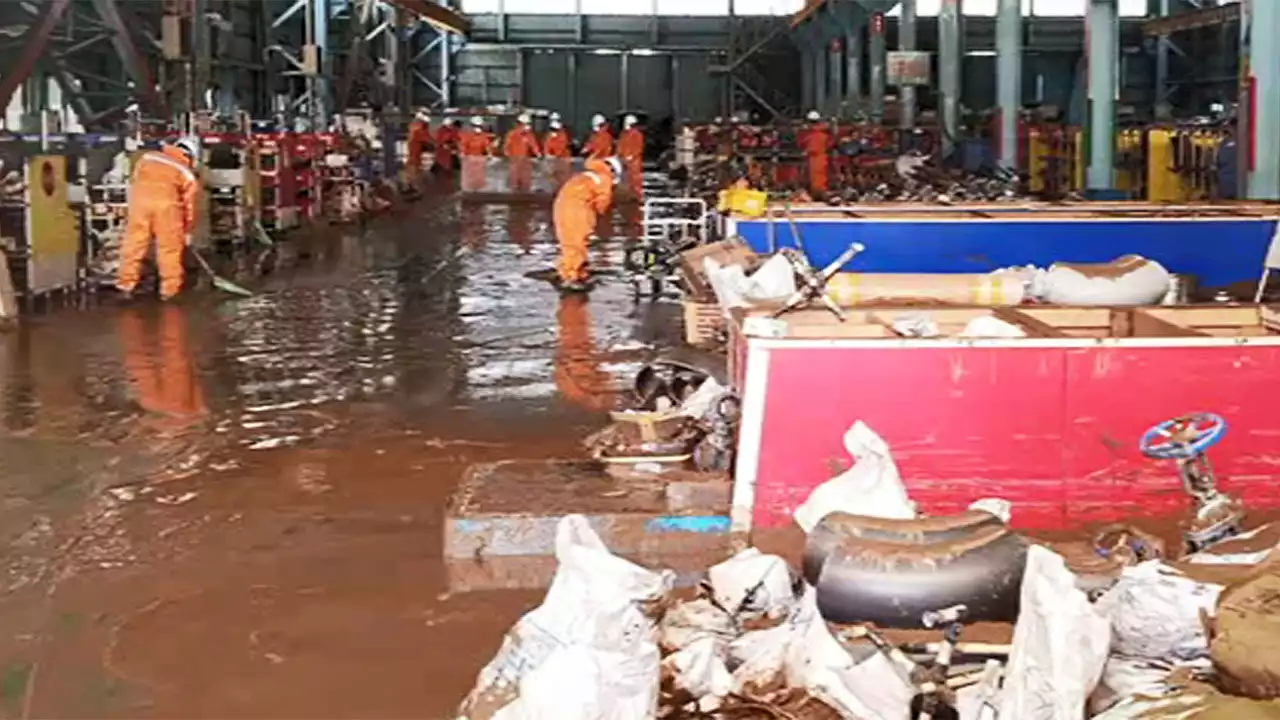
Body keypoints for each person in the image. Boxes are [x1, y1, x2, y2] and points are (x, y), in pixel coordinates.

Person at [116, 136, 200, 301]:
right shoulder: (186, 173)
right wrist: (187, 230)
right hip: (167, 208)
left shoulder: (148, 157)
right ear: (190, 155)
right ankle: (169, 292)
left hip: (139, 204)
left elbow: (134, 178)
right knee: (169, 250)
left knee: (133, 246)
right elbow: (189, 205)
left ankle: (125, 286)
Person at [553, 156, 622, 292]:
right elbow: (602, 202)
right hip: (578, 210)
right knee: (577, 243)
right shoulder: (604, 178)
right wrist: (600, 215)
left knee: (569, 242)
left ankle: (574, 271)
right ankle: (571, 277)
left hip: (562, 208)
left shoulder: (585, 175)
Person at [502, 112, 542, 192]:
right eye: (526, 124)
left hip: (524, 160)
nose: (528, 126)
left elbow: (533, 145)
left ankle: (524, 192)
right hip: (514, 160)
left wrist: (538, 154)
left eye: (528, 124)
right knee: (514, 178)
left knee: (525, 179)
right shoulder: (512, 134)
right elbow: (506, 145)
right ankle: (513, 193)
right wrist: (507, 153)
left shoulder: (529, 135)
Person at [459, 116, 495, 191]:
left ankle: (478, 188)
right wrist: (462, 152)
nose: (477, 128)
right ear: (472, 126)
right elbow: (463, 144)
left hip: (479, 157)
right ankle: (468, 188)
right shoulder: (467, 135)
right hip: (469, 157)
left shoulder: (483, 136)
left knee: (479, 174)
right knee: (469, 174)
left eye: (479, 126)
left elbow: (487, 145)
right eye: (475, 126)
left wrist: (489, 153)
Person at [800, 109, 833, 195]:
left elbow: (801, 143)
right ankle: (818, 192)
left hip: (815, 157)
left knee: (816, 177)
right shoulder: (824, 132)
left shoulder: (809, 133)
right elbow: (830, 144)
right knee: (818, 177)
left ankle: (818, 193)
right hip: (819, 156)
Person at [617, 114, 645, 201]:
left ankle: (637, 196)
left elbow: (638, 148)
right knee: (625, 179)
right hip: (626, 159)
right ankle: (629, 196)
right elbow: (620, 146)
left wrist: (631, 156)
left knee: (635, 179)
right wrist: (620, 156)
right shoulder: (624, 134)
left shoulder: (636, 134)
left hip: (633, 161)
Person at [544, 118, 573, 186]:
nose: (553, 131)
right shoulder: (550, 136)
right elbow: (547, 145)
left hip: (563, 159)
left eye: (555, 130)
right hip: (554, 159)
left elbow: (561, 149)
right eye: (552, 129)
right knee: (552, 174)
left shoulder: (562, 137)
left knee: (563, 175)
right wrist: (547, 154)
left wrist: (554, 156)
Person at [406, 109, 431, 181]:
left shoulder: (416, 124)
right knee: (414, 161)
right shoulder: (417, 125)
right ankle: (413, 179)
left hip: (416, 145)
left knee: (414, 161)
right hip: (415, 144)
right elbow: (423, 135)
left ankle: (412, 179)